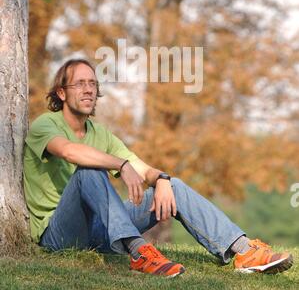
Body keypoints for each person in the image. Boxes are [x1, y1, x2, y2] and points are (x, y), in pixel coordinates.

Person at [23, 59, 293, 278]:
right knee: (89, 171)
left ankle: (244, 251)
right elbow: (70, 152)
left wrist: (161, 179)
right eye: (79, 84)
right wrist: (120, 164)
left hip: (100, 230)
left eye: (93, 83)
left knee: (172, 186)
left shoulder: (101, 133)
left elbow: (143, 169)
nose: (88, 89)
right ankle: (140, 253)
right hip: (58, 234)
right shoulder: (45, 125)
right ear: (61, 92)